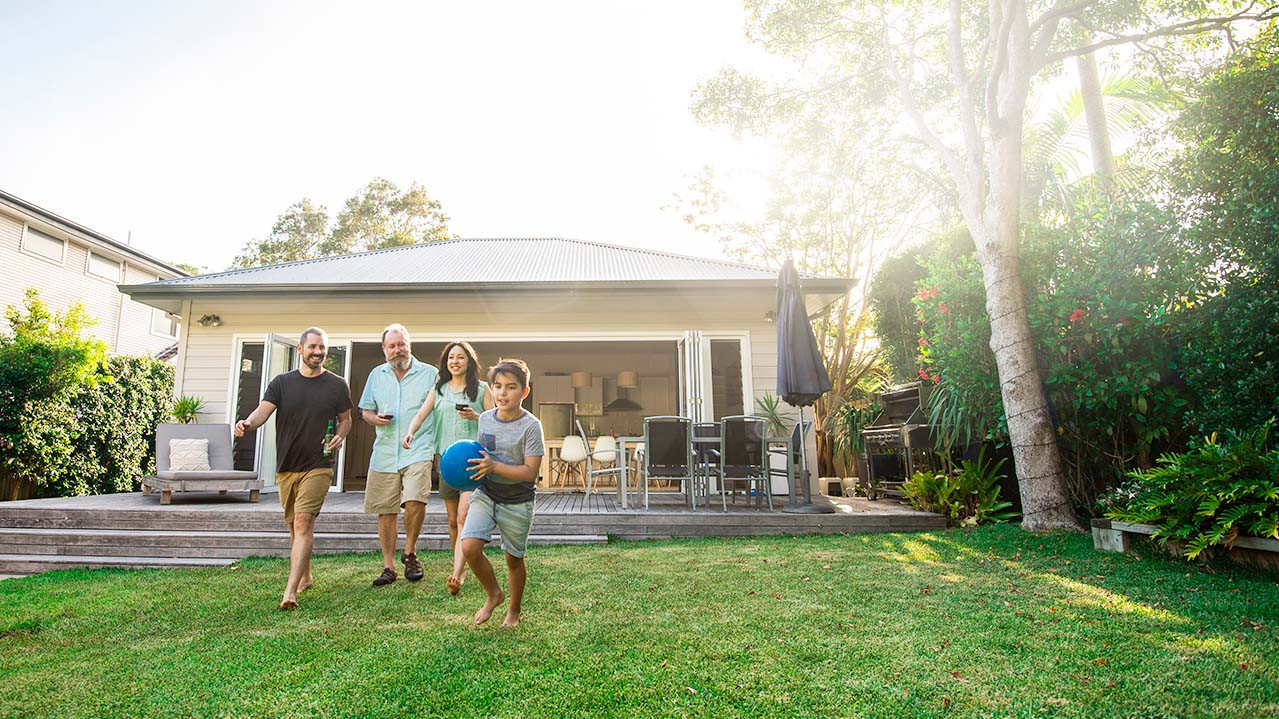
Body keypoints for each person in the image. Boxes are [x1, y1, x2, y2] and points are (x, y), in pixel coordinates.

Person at [234, 327, 352, 610]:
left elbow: (346, 419)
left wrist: (341, 434)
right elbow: (262, 411)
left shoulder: (337, 385)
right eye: (312, 347)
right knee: (294, 525)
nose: (318, 352)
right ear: (300, 349)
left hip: (319, 464)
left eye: (322, 347)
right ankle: (307, 575)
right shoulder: (281, 383)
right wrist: (247, 423)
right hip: (287, 465)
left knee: (303, 521)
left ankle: (290, 591)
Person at [402, 341, 495, 595]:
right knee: (453, 521)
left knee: (464, 517)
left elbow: (497, 420)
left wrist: (477, 417)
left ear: (469, 362)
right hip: (446, 463)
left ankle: (456, 573)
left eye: (461, 357)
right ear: (446, 363)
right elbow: (421, 414)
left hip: (473, 461)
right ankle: (462, 567)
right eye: (451, 357)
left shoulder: (482, 389)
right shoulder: (439, 389)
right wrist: (410, 432)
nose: (455, 361)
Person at [459, 358, 543, 628]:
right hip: (487, 493)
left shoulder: (531, 426)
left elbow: (530, 472)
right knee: (470, 547)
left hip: (518, 499)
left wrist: (495, 466)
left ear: (524, 392)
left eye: (511, 387)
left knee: (513, 558)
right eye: (497, 386)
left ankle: (514, 610)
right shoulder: (485, 419)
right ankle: (493, 593)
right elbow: (480, 456)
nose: (502, 393)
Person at [357, 324, 438, 587]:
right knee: (385, 510)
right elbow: (365, 411)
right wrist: (374, 419)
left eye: (401, 344)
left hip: (419, 447)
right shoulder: (376, 375)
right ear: (384, 349)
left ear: (409, 345)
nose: (397, 349)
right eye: (391, 346)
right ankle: (388, 566)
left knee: (415, 500)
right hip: (384, 452)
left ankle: (410, 552)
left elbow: (441, 407)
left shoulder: (430, 374)